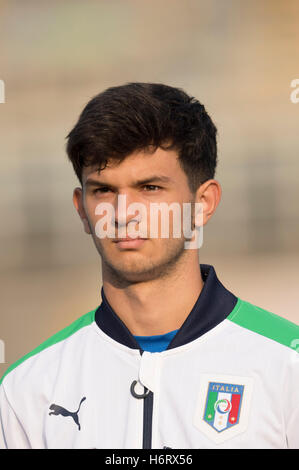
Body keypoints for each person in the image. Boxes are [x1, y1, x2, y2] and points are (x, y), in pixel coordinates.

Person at [0, 82, 298, 449]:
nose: (123, 214)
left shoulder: (288, 368)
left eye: (150, 188)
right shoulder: (27, 389)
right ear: (81, 208)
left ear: (203, 203)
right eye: (104, 190)